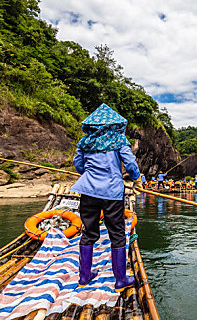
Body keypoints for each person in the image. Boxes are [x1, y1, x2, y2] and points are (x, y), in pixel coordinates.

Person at [71, 103, 142, 292]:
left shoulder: (85, 142)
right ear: (114, 124)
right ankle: (120, 281)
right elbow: (130, 164)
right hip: (112, 193)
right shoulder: (119, 140)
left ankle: (84, 278)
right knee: (117, 234)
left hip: (88, 191)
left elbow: (78, 165)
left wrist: (91, 172)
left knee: (88, 233)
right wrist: (136, 178)